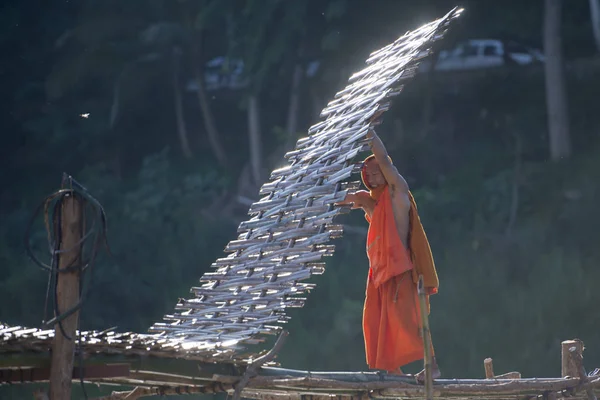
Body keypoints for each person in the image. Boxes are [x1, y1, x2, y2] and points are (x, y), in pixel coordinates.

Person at [338, 129, 440, 381]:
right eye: (368, 175)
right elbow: (346, 198)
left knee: (412, 320)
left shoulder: (398, 193)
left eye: (376, 172)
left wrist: (370, 134)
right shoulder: (370, 202)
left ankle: (432, 367)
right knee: (375, 321)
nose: (372, 177)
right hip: (380, 274)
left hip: (402, 270)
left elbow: (383, 159)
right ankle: (392, 369)